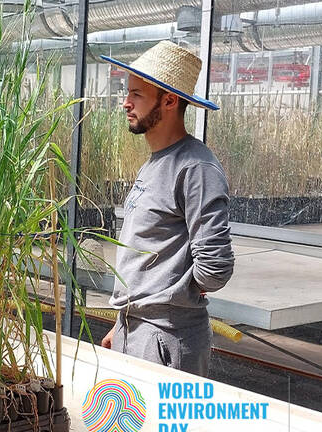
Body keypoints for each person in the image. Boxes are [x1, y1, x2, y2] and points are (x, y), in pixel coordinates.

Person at [98, 41, 235, 377]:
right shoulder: (156, 163)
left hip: (167, 341)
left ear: (170, 101)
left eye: (137, 95)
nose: (125, 103)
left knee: (166, 431)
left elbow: (215, 267)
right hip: (138, 330)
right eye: (127, 92)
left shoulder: (195, 168)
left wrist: (172, 303)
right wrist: (124, 324)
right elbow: (149, 250)